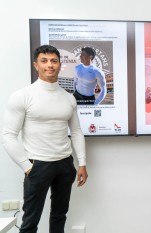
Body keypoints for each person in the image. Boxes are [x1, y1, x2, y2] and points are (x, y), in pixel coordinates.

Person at [2, 45, 88, 233]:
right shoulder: (22, 96)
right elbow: (8, 135)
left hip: (65, 164)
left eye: (54, 61)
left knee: (60, 216)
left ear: (59, 65)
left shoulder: (68, 98)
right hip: (38, 165)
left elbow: (76, 131)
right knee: (30, 220)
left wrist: (82, 163)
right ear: (36, 65)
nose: (50, 65)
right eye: (44, 61)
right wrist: (27, 166)